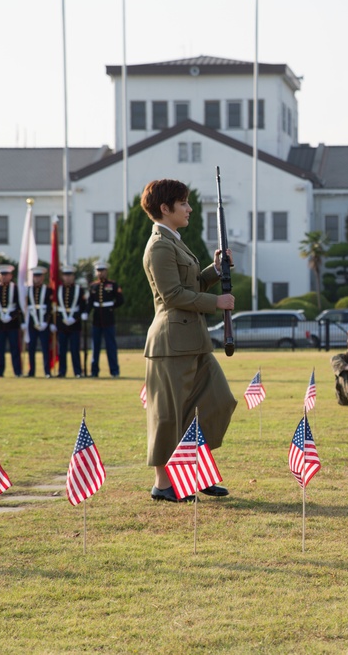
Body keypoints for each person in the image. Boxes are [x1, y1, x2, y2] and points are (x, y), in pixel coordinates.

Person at [140, 178, 237, 502]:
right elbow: (172, 294)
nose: (189, 208)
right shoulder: (159, 246)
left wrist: (215, 268)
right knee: (169, 415)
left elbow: (192, 283)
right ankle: (164, 484)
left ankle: (193, 468)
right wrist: (216, 303)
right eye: (183, 203)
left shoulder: (175, 241)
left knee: (219, 402)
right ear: (164, 209)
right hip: (170, 343)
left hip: (193, 340)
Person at [89, 261, 124, 378]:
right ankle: (94, 371)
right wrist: (85, 313)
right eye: (98, 271)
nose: (100, 273)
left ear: (106, 271)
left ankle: (114, 371)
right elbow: (90, 303)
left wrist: (111, 307)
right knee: (95, 347)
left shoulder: (112, 285)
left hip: (109, 320)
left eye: (102, 271)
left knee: (111, 346)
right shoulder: (93, 286)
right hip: (96, 320)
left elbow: (120, 300)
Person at [55, 265, 87, 378]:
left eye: (70, 275)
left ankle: (77, 371)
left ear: (73, 276)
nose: (67, 278)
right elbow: (55, 307)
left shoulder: (79, 289)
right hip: (62, 324)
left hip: (75, 324)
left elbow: (82, 306)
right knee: (62, 350)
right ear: (63, 276)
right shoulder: (58, 289)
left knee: (75, 350)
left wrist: (76, 317)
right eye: (65, 275)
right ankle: (62, 371)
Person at [24, 266, 54, 378]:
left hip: (44, 322)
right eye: (35, 276)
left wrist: (47, 322)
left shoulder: (48, 290)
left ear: (43, 277)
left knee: (45, 347)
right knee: (31, 348)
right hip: (32, 322)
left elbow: (50, 308)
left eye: (39, 276)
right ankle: (31, 371)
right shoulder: (29, 289)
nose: (37, 279)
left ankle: (47, 371)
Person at [0, 264, 23, 378]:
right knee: (0, 349)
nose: (4, 277)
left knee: (15, 348)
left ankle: (17, 371)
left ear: (11, 276)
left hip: (13, 323)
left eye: (6, 274)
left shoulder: (15, 288)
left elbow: (20, 306)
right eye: (2, 274)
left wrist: (12, 316)